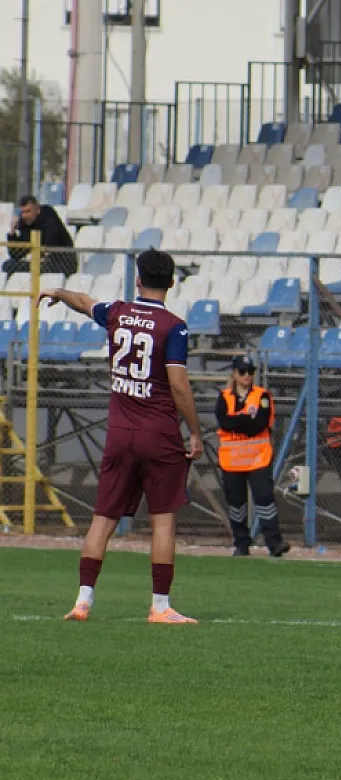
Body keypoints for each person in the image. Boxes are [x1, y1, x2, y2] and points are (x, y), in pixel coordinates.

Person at [44, 250, 202, 624]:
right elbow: (178, 384)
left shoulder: (118, 312)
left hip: (119, 432)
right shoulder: (173, 326)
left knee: (103, 518)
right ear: (172, 281)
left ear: (137, 280)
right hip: (159, 433)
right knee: (163, 520)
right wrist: (194, 431)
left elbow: (83, 301)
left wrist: (57, 291)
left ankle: (83, 601)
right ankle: (160, 607)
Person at [213, 354, 288, 558]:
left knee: (264, 498)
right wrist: (245, 419)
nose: (247, 376)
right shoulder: (225, 396)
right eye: (242, 372)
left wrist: (238, 420)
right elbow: (223, 422)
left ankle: (274, 542)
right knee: (236, 503)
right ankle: (241, 543)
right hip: (232, 460)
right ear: (234, 374)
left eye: (250, 372)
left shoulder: (262, 396)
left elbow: (259, 425)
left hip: (258, 457)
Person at [4, 195, 76, 274]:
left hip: (61, 262)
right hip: (40, 262)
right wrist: (12, 232)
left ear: (38, 210)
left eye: (28, 211)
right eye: (23, 212)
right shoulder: (25, 223)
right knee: (8, 265)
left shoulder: (49, 218)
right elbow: (16, 255)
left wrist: (33, 256)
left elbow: (49, 245)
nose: (25, 216)